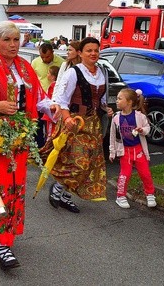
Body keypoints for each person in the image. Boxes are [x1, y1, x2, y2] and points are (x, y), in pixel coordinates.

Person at [0, 21, 60, 270]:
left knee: (14, 187)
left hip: (19, 139)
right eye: (7, 40)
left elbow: (39, 98)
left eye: (16, 39)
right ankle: (2, 240)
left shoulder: (24, 66)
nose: (13, 44)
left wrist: (52, 107)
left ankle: (2, 236)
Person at [49, 37, 113, 209]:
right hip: (76, 122)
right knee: (78, 162)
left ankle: (65, 194)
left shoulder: (102, 72)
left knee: (89, 163)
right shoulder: (73, 72)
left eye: (96, 50)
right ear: (80, 53)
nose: (93, 54)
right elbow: (62, 100)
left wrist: (106, 108)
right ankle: (57, 187)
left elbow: (101, 99)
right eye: (89, 50)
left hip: (94, 124)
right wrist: (67, 118)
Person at [48, 40, 82, 212]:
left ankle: (65, 194)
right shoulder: (66, 67)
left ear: (78, 51)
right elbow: (59, 88)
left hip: (85, 119)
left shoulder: (91, 69)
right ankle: (59, 189)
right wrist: (55, 106)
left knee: (82, 160)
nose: (68, 52)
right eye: (67, 49)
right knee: (68, 155)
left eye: (70, 50)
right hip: (67, 114)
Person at [109, 88, 157, 209]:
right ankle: (120, 196)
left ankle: (150, 194)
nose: (117, 101)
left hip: (139, 150)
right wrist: (112, 151)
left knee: (145, 173)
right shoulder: (116, 118)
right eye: (117, 98)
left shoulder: (139, 116)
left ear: (129, 102)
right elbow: (113, 136)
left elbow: (147, 128)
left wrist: (142, 130)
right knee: (125, 174)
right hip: (125, 151)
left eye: (120, 99)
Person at [30, 42, 64, 147]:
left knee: (54, 126)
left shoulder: (62, 63)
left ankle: (53, 146)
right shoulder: (35, 62)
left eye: (47, 56)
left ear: (53, 52)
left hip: (55, 101)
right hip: (39, 100)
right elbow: (31, 80)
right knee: (38, 124)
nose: (44, 59)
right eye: (42, 57)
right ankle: (40, 147)